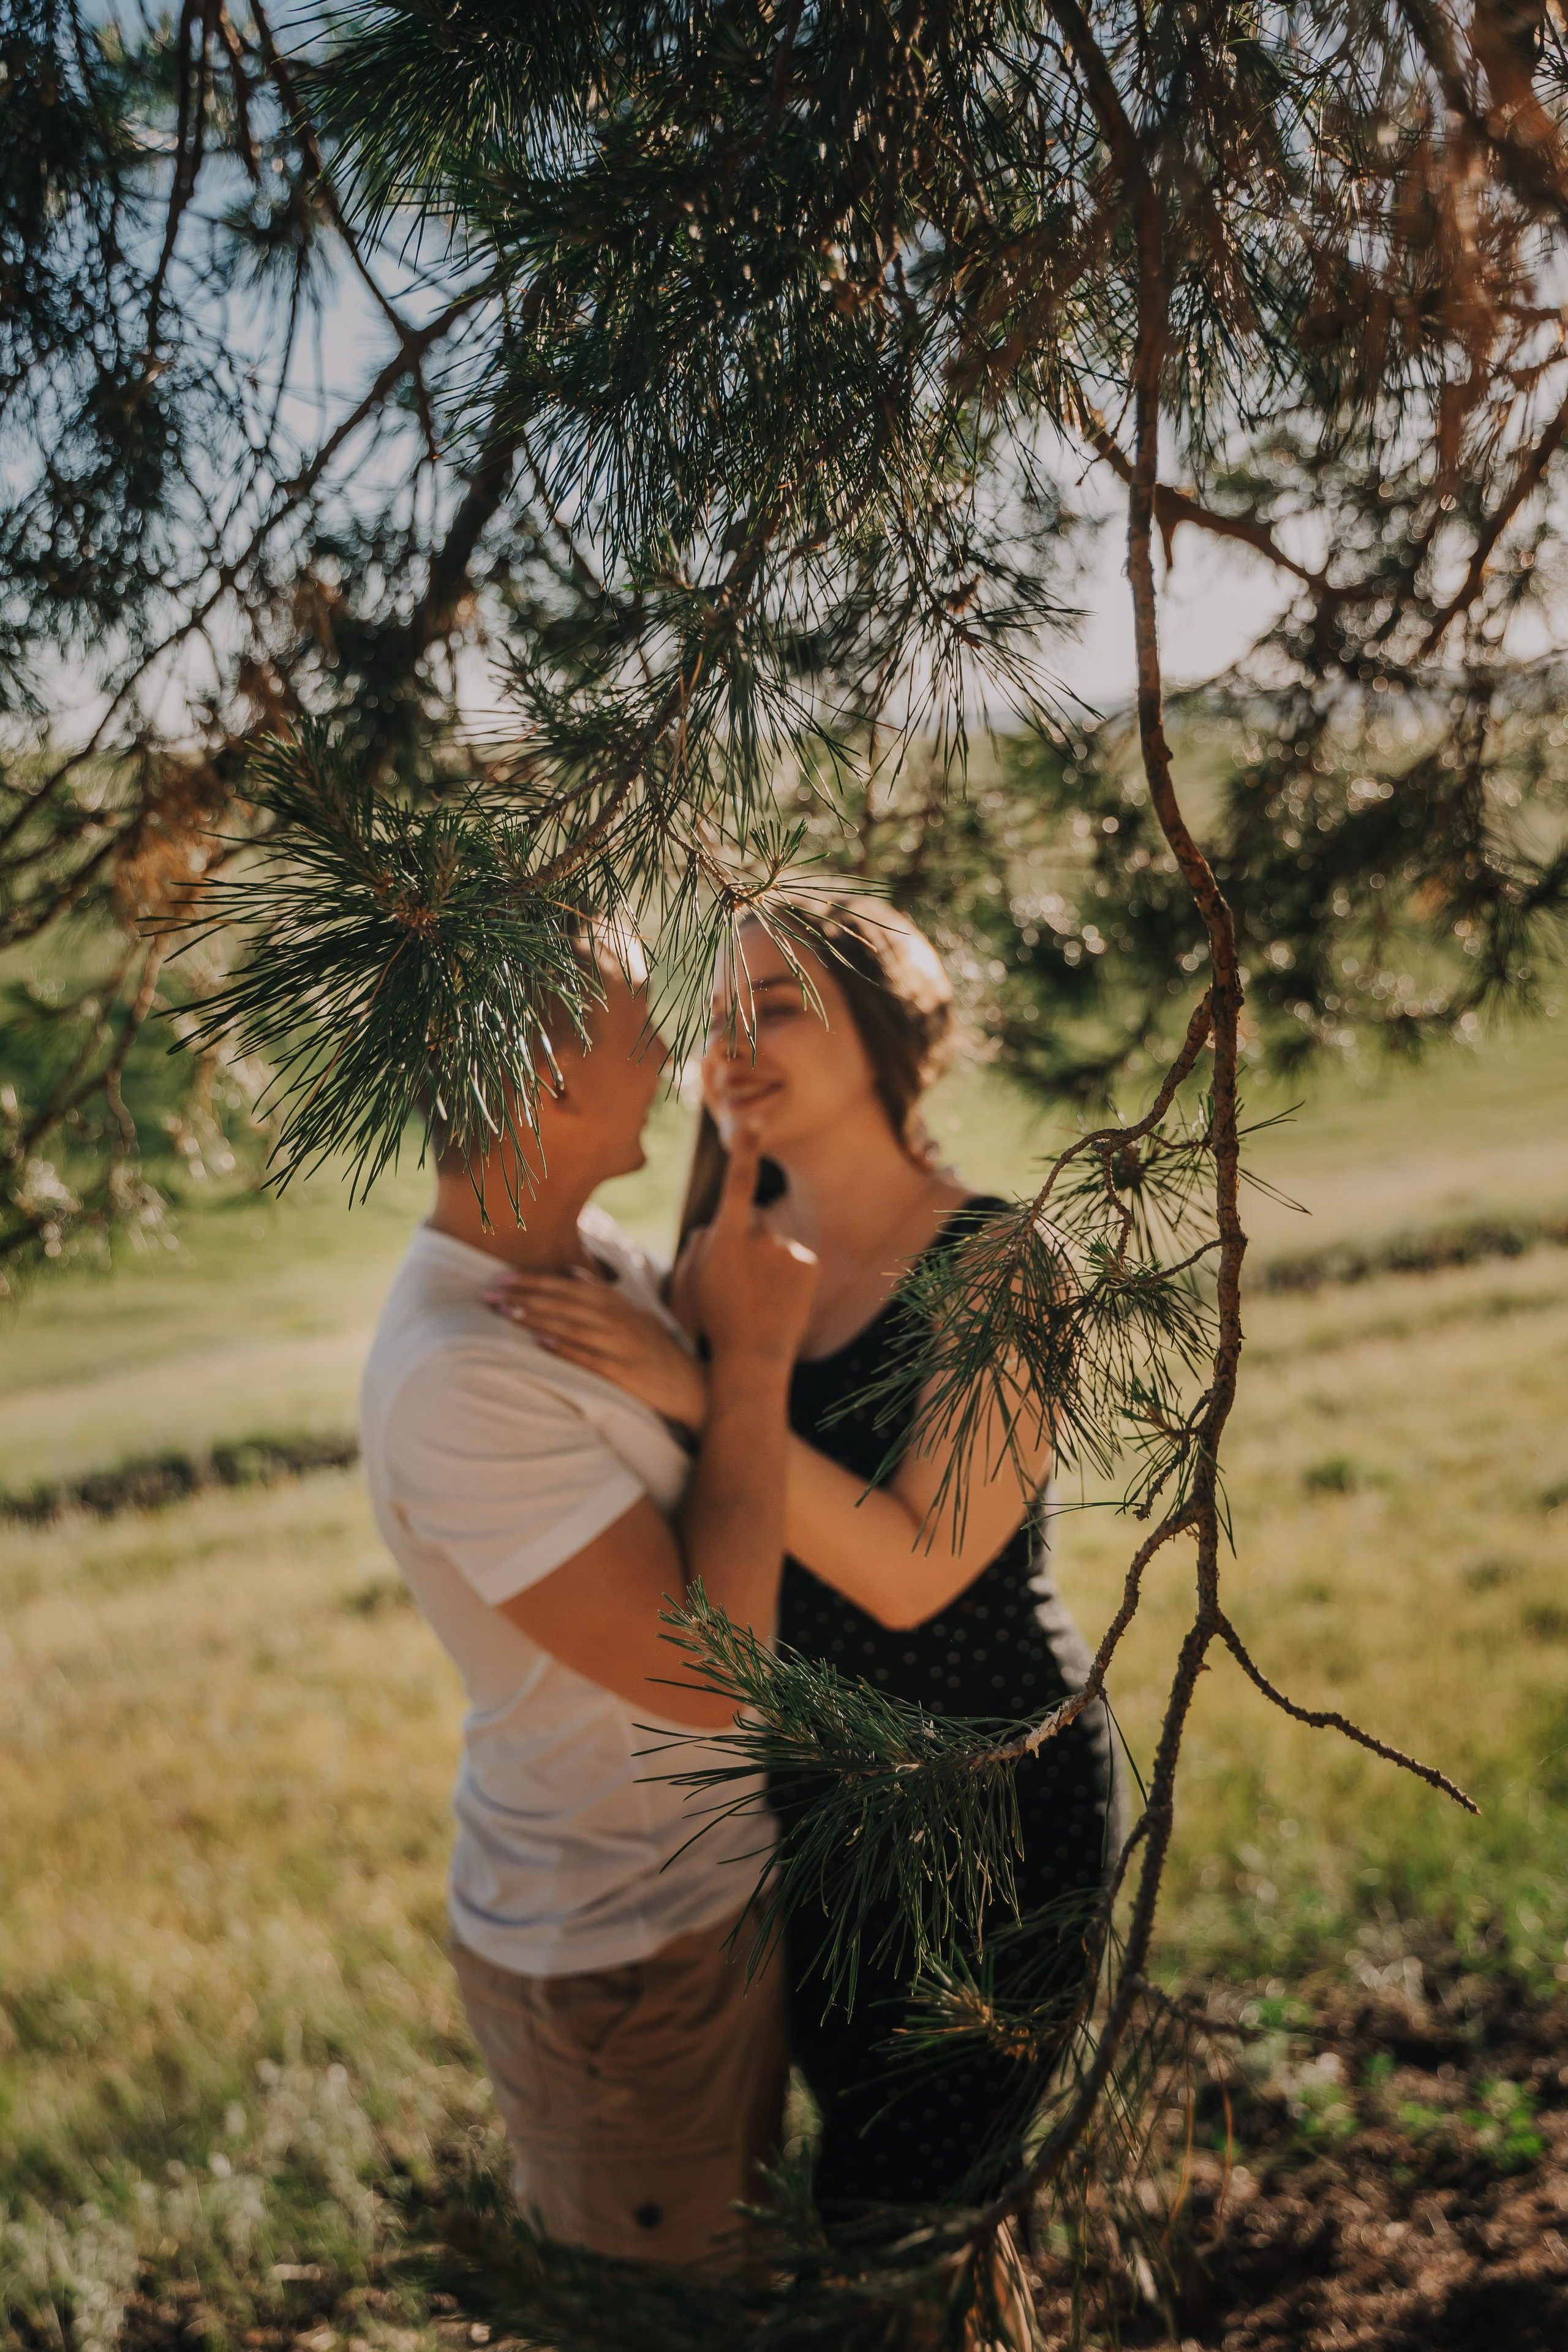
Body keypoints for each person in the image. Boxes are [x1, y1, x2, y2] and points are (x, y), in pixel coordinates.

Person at [488, 899, 1118, 2217]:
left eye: (772, 1009)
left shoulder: (1004, 1261)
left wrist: (707, 1387)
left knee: (913, 2188)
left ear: (895, 1029)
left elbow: (915, 1567)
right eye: (710, 1022)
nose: (730, 1045)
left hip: (985, 1794)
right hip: (793, 1804)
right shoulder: (714, 1263)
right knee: (862, 2188)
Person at [359, 927, 818, 2266]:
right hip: (617, 1951)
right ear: (546, 1079)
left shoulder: (585, 1253)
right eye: (636, 1029)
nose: (670, 1048)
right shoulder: (461, 1371)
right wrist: (751, 1364)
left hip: (702, 1897)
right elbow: (706, 1674)